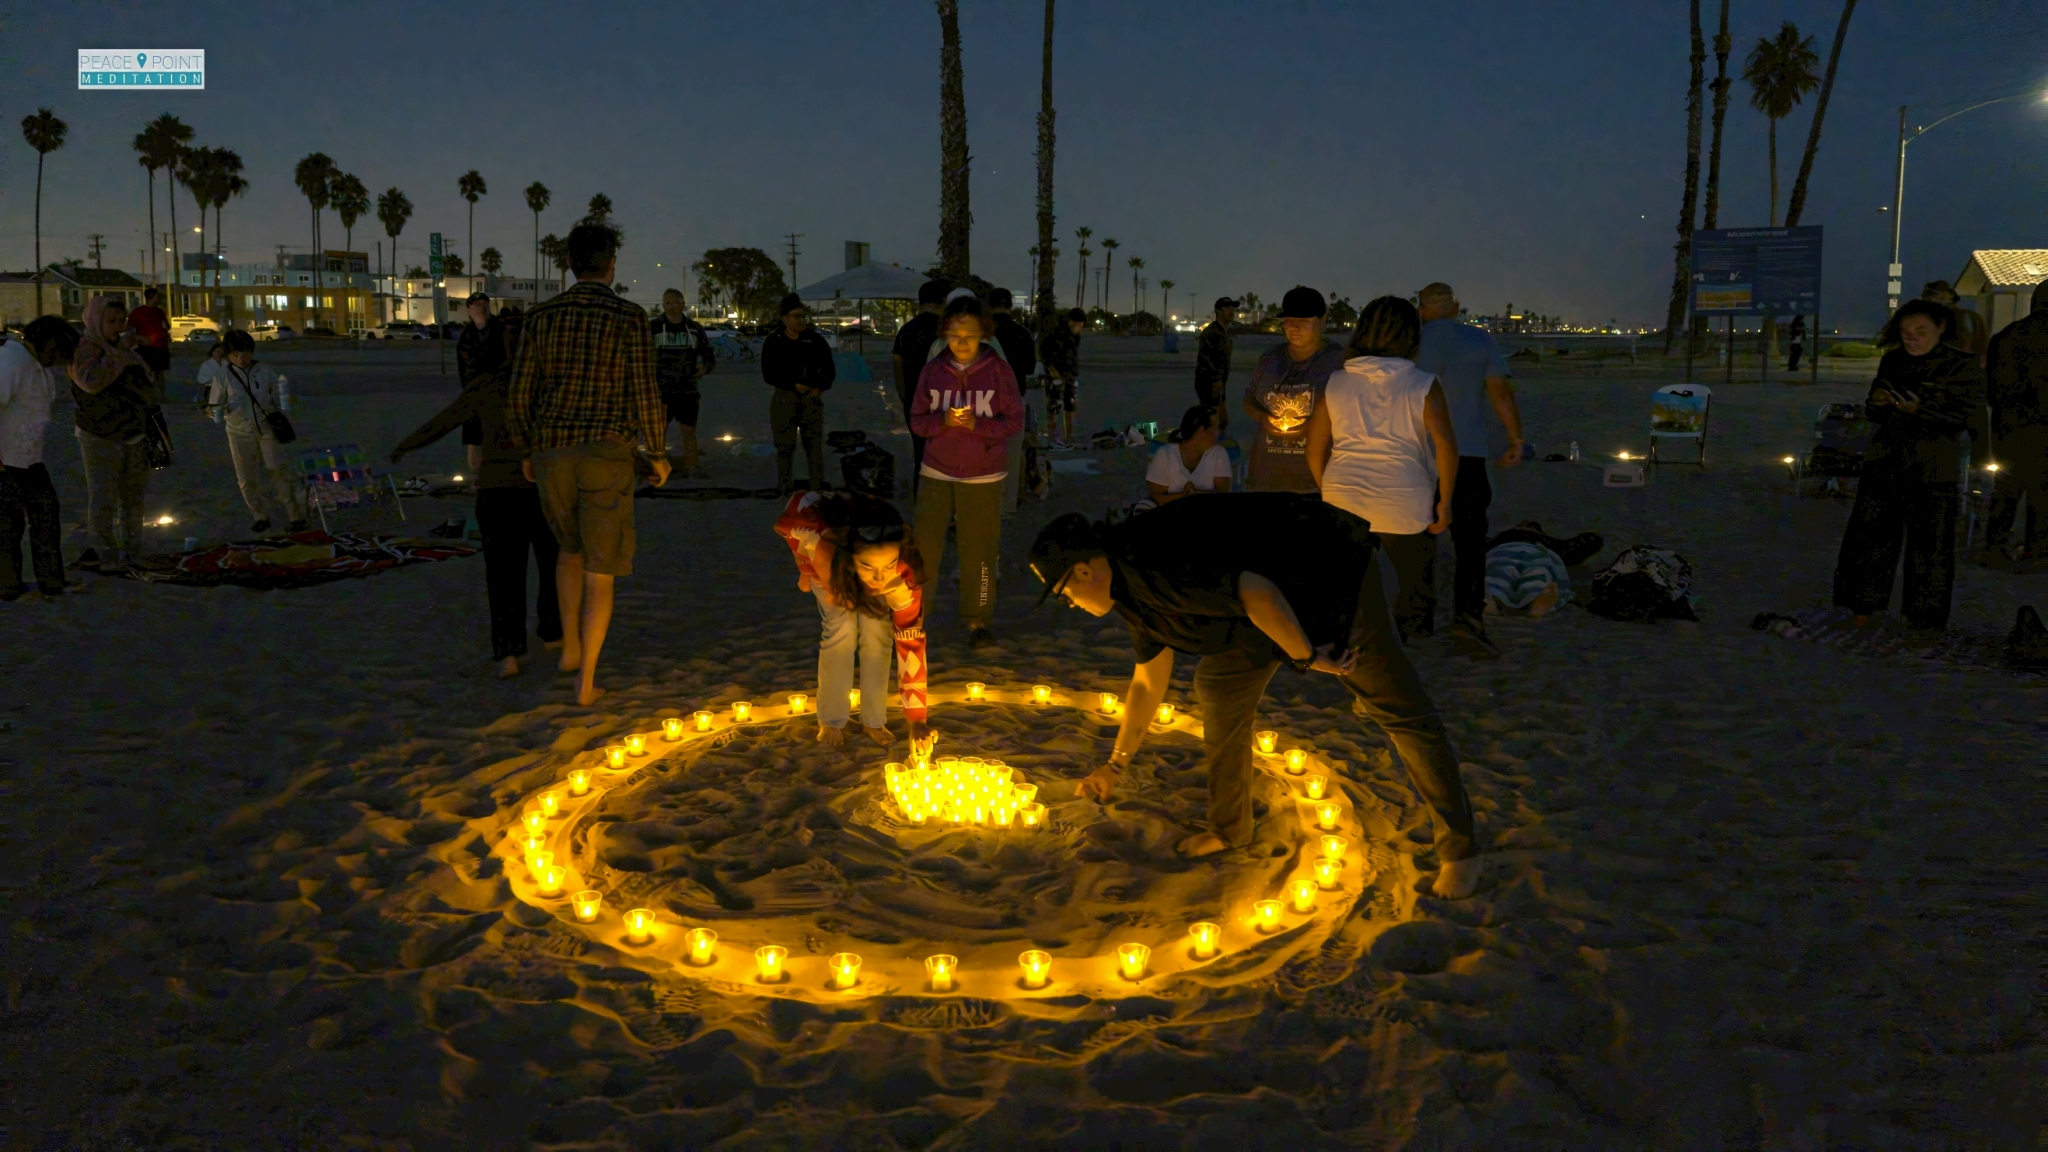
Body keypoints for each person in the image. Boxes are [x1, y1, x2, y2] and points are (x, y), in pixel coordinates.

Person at [1029, 496, 1480, 898]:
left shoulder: (1152, 566)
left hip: (1328, 573)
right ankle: (1229, 830)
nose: (1068, 603)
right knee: (1219, 686)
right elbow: (1149, 679)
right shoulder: (1125, 589)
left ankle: (1460, 853)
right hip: (1259, 609)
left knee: (1398, 709)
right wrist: (1115, 765)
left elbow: (1258, 593)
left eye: (1063, 592)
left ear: (1084, 570)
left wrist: (1306, 656)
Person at [506, 223, 670, 706]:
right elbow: (644, 390)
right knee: (602, 568)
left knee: (568, 549)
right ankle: (586, 680)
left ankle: (571, 649)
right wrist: (657, 452)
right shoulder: (629, 317)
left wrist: (526, 450)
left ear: (570, 263)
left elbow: (520, 393)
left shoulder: (542, 317)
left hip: (553, 451)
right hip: (605, 449)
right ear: (611, 262)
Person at [393, 300, 561, 678]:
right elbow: (446, 419)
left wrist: (407, 445)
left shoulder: (511, 384)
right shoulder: (534, 384)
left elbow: (445, 420)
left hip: (518, 490)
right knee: (531, 569)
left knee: (516, 573)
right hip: (526, 489)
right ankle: (535, 639)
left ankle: (520, 645)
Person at [1307, 296, 1460, 645]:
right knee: (1413, 584)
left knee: (1347, 581)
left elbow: (1315, 447)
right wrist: (1445, 501)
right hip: (1403, 500)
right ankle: (1410, 642)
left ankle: (1352, 641)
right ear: (1411, 336)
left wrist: (1326, 489)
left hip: (1343, 496)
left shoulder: (1337, 381)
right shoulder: (1422, 383)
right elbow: (1447, 446)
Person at [1830, 299, 1985, 642]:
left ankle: (1924, 620)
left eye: (1920, 332)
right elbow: (1875, 406)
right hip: (1886, 461)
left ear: (1941, 329)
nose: (1911, 339)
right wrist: (1879, 403)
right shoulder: (1893, 361)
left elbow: (1965, 418)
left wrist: (1921, 410)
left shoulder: (1961, 366)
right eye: (1905, 332)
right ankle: (1861, 609)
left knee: (1930, 547)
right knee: (1870, 539)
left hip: (1933, 466)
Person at [774, 490, 936, 753]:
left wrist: (917, 719)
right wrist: (805, 569)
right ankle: (831, 720)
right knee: (841, 627)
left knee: (878, 632)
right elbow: (792, 520)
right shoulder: (820, 541)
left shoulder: (901, 581)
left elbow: (912, 648)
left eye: (889, 565)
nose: (880, 580)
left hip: (845, 547)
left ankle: (873, 720)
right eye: (869, 567)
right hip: (830, 568)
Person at [1413, 282, 1521, 656]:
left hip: (1420, 454)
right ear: (1456, 307)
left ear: (1423, 307)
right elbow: (1500, 393)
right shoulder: (1480, 340)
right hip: (1468, 452)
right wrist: (1515, 439)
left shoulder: (1412, 340)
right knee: (1470, 543)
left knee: (1418, 537)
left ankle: (1416, 617)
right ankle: (1468, 616)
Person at [910, 296, 1025, 648]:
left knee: (980, 552)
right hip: (936, 472)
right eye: (955, 335)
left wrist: (979, 425)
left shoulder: (999, 372)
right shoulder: (932, 370)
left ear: (983, 335)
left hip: (984, 475)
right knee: (924, 550)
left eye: (970, 336)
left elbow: (1015, 421)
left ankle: (978, 620)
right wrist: (942, 421)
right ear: (945, 332)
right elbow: (917, 421)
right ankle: (913, 617)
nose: (961, 343)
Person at [68, 296, 159, 573]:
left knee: (133, 499)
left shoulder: (124, 348)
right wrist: (120, 354)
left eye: (122, 321)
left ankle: (132, 551)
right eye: (112, 321)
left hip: (134, 431)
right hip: (99, 433)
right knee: (103, 498)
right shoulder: (84, 349)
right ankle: (104, 554)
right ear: (96, 321)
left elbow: (149, 381)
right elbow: (91, 383)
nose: (118, 327)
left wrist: (131, 354)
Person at [0, 316, 81, 598]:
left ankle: (50, 581)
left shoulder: (33, 365)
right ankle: (8, 586)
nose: (60, 359)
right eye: (59, 351)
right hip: (5, 459)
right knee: (9, 526)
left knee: (45, 516)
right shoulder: (12, 362)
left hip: (29, 457)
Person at [1243, 286, 1346, 493]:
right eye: (1289, 321)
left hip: (1314, 482)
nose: (1294, 327)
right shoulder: (1270, 359)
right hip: (1266, 478)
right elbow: (1249, 401)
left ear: (1322, 320)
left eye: (1303, 322)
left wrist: (1315, 426)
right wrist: (1264, 419)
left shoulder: (1338, 361)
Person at [207, 330, 308, 535]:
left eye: (246, 353)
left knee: (277, 469)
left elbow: (280, 394)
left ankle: (293, 514)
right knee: (246, 476)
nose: (243, 359)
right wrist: (214, 410)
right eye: (237, 354)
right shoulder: (223, 375)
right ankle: (259, 515)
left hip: (266, 428)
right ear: (229, 354)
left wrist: (286, 401)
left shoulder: (264, 370)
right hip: (239, 431)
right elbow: (213, 406)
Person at [1982, 280, 2048, 565]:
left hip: (2008, 426)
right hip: (2044, 428)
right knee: (2042, 493)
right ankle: (2037, 549)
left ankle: (1994, 546)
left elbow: (1992, 387)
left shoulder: (2006, 335)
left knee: (2006, 488)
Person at [761, 293, 836, 495]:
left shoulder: (815, 340)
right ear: (785, 319)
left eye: (803, 316)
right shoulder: (774, 342)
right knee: (784, 446)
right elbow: (769, 373)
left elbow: (829, 369)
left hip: (811, 399)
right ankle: (785, 486)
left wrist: (819, 388)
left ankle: (817, 487)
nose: (801, 320)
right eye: (796, 316)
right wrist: (793, 385)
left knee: (814, 446)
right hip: (785, 399)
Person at [892, 279, 950, 485]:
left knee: (920, 453)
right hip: (943, 403)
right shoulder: (947, 330)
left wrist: (904, 396)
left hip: (913, 400)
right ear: (944, 300)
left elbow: (897, 363)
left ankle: (922, 499)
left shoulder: (906, 330)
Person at [652, 288, 714, 479]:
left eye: (673, 302)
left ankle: (692, 468)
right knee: (658, 432)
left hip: (687, 389)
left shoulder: (694, 328)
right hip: (661, 389)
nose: (670, 306)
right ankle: (658, 470)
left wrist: (705, 368)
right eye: (666, 303)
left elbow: (708, 354)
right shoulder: (653, 327)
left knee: (688, 431)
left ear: (682, 303)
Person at [1145, 404, 1233, 505]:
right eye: (1215, 428)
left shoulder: (1218, 454)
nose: (1218, 433)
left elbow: (1224, 498)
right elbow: (1157, 498)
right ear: (1201, 431)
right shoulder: (1165, 455)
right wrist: (1187, 496)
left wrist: (1194, 495)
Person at [1039, 307, 1085, 447]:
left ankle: (1068, 436)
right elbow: (1044, 351)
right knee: (1054, 406)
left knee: (1070, 405)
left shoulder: (1076, 335)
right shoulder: (1057, 333)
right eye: (1079, 325)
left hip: (1070, 374)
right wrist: (1051, 370)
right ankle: (1052, 435)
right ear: (1071, 322)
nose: (1080, 328)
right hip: (1056, 375)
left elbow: (1073, 354)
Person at [1194, 296, 1239, 425]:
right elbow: (1206, 358)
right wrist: (1216, 380)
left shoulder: (1224, 333)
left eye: (1232, 308)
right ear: (1218, 311)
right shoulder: (1211, 332)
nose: (1231, 311)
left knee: (1221, 421)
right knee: (1212, 422)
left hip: (1219, 384)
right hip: (1209, 384)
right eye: (1227, 307)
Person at [987, 288, 1037, 379]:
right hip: (1015, 388)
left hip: (984, 390)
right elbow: (1030, 368)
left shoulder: (980, 332)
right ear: (1010, 306)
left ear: (989, 306)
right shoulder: (1023, 333)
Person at [129, 286, 171, 385]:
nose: (158, 299)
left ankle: (158, 395)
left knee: (155, 372)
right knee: (152, 372)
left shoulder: (156, 311)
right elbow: (129, 328)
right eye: (157, 296)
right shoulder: (142, 312)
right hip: (151, 346)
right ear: (152, 297)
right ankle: (156, 395)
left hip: (155, 346)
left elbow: (166, 326)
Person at [194, 341, 229, 406]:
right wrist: (217, 379)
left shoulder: (226, 363)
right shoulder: (206, 364)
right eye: (216, 351)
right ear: (212, 352)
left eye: (220, 351)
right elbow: (202, 378)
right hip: (211, 388)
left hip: (226, 388)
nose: (218, 353)